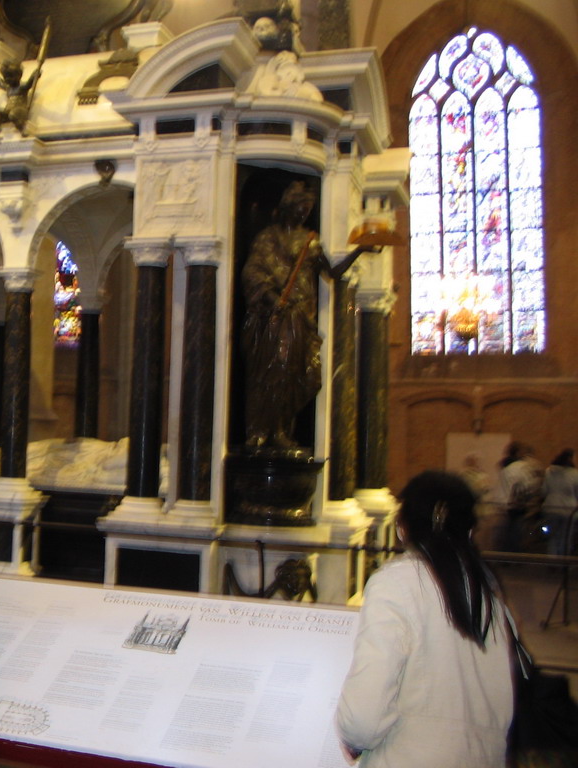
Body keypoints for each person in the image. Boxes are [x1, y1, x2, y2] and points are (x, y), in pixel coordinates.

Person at [337, 470, 514, 767]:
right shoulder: (488, 592)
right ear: (469, 531)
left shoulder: (396, 583)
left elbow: (366, 709)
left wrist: (354, 736)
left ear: (402, 527)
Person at [241, 181, 372, 451]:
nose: (302, 214)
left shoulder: (310, 241)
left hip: (300, 315)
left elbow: (332, 273)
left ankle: (281, 431)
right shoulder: (268, 237)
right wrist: (271, 297)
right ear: (287, 207)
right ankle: (260, 430)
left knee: (295, 373)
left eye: (307, 209)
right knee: (269, 371)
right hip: (273, 317)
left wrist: (359, 250)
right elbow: (253, 271)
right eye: (299, 208)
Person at [541, 448, 578, 555]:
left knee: (552, 536)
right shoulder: (575, 474)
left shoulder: (549, 471)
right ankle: (562, 561)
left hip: (550, 508)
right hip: (569, 510)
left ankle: (552, 559)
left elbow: (543, 491)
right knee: (566, 537)